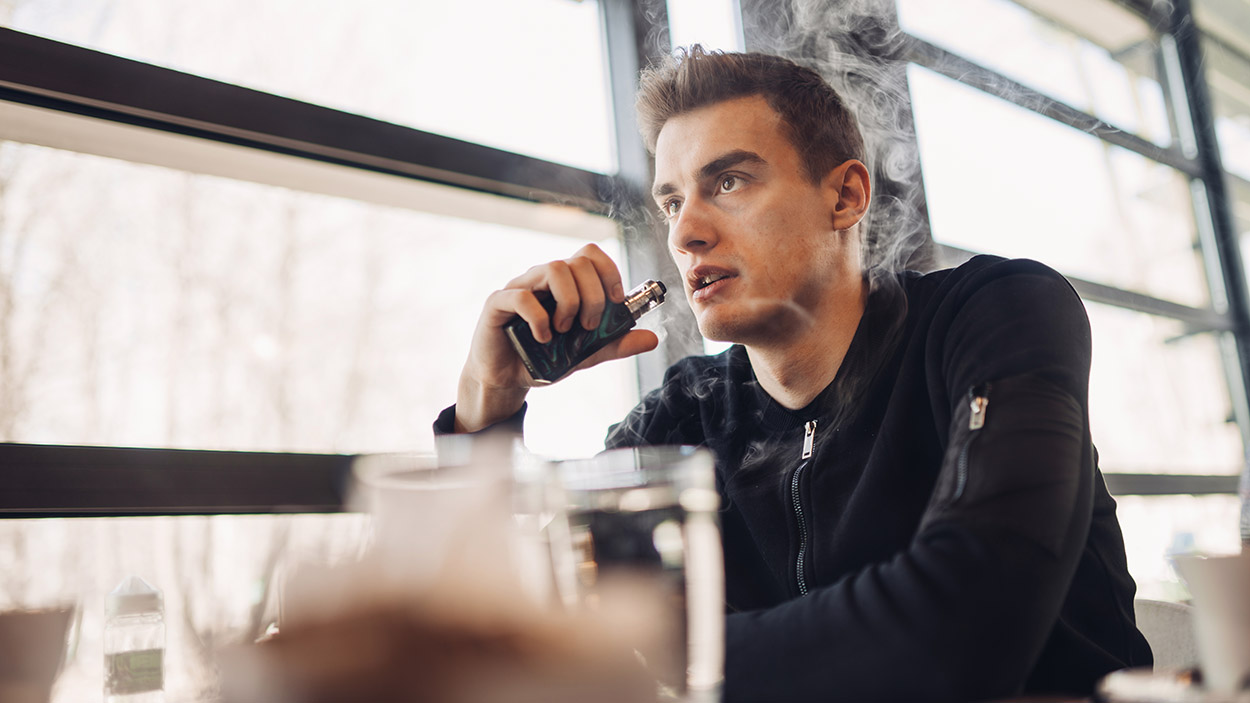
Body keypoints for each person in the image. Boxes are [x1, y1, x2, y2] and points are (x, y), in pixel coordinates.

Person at [436, 45, 1152, 702]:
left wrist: (676, 657)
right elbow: (497, 626)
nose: (686, 233)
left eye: (730, 180)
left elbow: (967, 621)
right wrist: (487, 402)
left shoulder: (995, 314)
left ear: (844, 197)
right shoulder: (687, 415)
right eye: (673, 200)